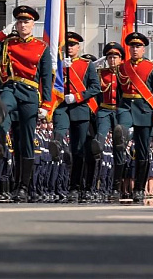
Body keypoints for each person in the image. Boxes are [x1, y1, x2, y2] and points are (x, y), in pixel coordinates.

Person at [0, 5, 52, 202]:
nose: (23, 25)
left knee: (26, 142)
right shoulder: (8, 43)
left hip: (30, 94)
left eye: (26, 21)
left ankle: (22, 187)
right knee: (2, 112)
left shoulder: (41, 48)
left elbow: (46, 77)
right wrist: (2, 34)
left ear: (33, 25)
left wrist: (46, 104)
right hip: (10, 89)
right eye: (20, 21)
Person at [114, 32, 153, 202]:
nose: (135, 49)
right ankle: (116, 185)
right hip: (126, 107)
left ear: (143, 49)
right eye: (132, 47)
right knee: (120, 132)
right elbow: (120, 90)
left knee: (143, 152)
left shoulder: (151, 67)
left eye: (138, 47)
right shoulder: (122, 67)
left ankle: (138, 188)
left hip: (144, 109)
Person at [52, 31, 100, 202]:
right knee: (60, 129)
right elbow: (50, 82)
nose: (70, 48)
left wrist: (78, 96)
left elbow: (95, 88)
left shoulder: (87, 65)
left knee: (78, 151)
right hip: (63, 107)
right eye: (67, 45)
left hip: (80, 109)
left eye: (73, 45)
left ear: (79, 47)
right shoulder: (58, 64)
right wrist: (60, 68)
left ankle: (77, 187)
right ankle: (56, 142)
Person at [96, 42, 125, 200]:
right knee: (99, 139)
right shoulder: (101, 74)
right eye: (109, 57)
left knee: (119, 149)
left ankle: (116, 186)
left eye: (115, 57)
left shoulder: (125, 73)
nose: (112, 60)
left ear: (121, 58)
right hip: (105, 110)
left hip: (120, 112)